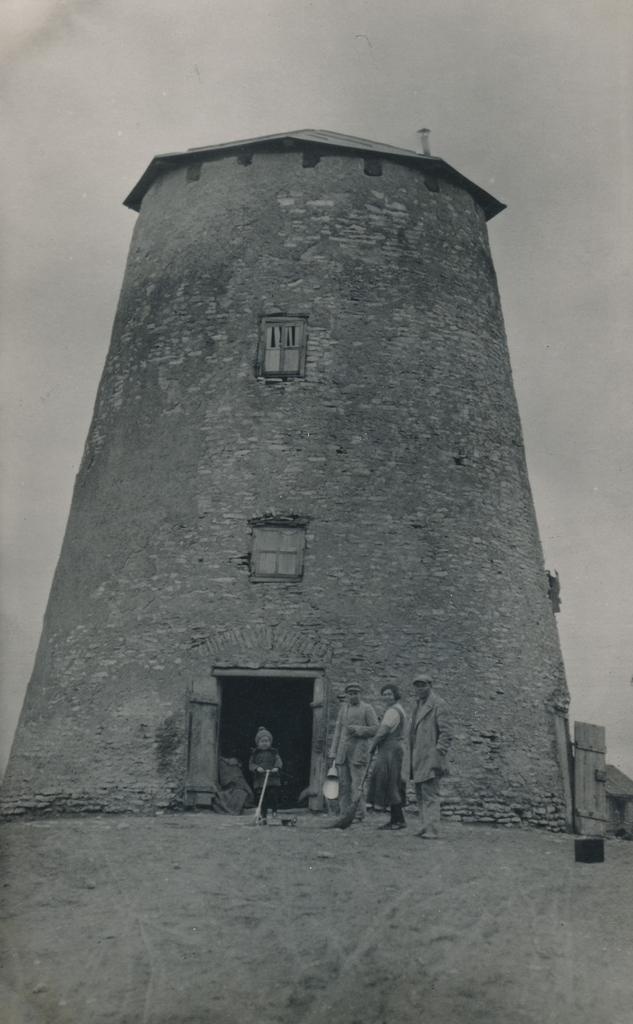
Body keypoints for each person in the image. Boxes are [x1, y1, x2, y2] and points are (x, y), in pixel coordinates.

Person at [409, 672, 453, 839]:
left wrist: (438, 752)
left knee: (430, 793)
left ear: (430, 686)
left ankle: (432, 829)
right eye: (417, 685)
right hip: (418, 756)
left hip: (431, 756)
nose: (420, 689)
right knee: (420, 792)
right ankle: (424, 825)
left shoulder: (439, 704)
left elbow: (446, 733)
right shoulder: (418, 705)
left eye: (423, 685)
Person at [328, 683, 378, 821]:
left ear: (360, 694)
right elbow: (338, 732)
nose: (353, 695)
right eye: (350, 693)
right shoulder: (343, 709)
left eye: (356, 693)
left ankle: (359, 814)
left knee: (357, 784)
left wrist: (358, 729)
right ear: (347, 695)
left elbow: (375, 729)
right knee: (343, 784)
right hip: (342, 753)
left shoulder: (367, 708)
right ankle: (344, 813)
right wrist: (333, 750)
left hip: (358, 752)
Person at [367, 684, 407, 831]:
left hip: (390, 750)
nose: (387, 697)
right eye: (384, 694)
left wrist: (372, 746)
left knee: (389, 782)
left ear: (395, 695)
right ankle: (396, 820)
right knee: (391, 783)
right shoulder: (396, 709)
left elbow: (382, 731)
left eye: (390, 694)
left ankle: (399, 821)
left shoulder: (393, 711)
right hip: (392, 749)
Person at [249, 726, 282, 821]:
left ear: (270, 742)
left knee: (273, 795)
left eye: (266, 741)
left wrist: (276, 767)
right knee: (262, 797)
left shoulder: (273, 752)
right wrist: (257, 768)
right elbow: (251, 764)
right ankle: (263, 813)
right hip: (260, 779)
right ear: (258, 743)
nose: (264, 743)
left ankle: (274, 811)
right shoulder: (255, 754)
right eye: (262, 741)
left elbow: (278, 760)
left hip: (272, 778)